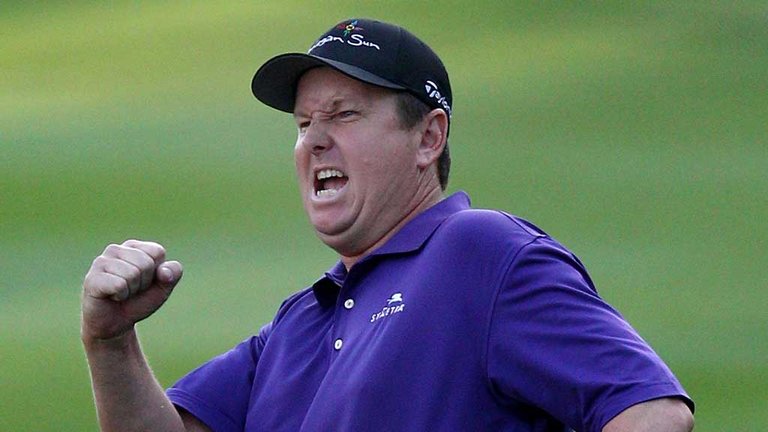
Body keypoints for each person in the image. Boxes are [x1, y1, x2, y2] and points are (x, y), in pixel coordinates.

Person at [81, 18, 694, 432]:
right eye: (302, 124)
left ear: (428, 137)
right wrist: (110, 343)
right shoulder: (299, 324)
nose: (314, 140)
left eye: (343, 115)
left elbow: (652, 413)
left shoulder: (481, 254)